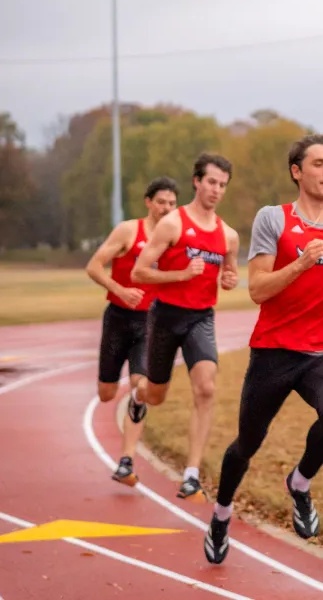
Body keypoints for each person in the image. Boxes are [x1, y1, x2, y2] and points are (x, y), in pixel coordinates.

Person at [204, 133, 323, 566]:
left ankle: (300, 482)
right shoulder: (273, 219)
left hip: (321, 350)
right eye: (319, 164)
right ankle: (221, 514)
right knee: (247, 444)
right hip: (274, 350)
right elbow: (257, 289)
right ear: (297, 171)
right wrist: (300, 264)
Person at [132, 152, 239, 501]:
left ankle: (191, 473)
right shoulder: (173, 224)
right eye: (211, 182)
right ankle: (137, 395)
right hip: (165, 316)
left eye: (222, 185)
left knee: (206, 388)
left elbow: (229, 271)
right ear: (197, 181)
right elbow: (139, 272)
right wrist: (180, 274)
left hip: (200, 318)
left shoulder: (228, 235)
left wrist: (228, 277)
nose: (216, 190)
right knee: (156, 397)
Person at [85, 176, 179, 486]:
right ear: (148, 202)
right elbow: (94, 266)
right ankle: (125, 392)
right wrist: (120, 289)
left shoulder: (175, 237)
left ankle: (126, 461)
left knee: (140, 387)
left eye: (172, 203)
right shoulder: (129, 230)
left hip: (150, 323)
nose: (166, 208)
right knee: (106, 393)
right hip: (117, 319)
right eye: (161, 202)